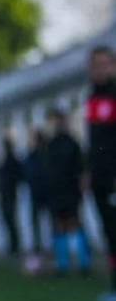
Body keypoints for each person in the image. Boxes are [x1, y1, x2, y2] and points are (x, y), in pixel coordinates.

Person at [86, 45, 116, 301]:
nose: (100, 69)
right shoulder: (92, 98)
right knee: (109, 232)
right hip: (100, 179)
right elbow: (94, 142)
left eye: (105, 64)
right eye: (96, 65)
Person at [45, 109, 90, 276]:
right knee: (61, 226)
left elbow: (81, 169)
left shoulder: (72, 143)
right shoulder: (52, 145)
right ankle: (63, 264)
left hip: (70, 191)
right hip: (58, 192)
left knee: (75, 224)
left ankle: (84, 262)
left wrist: (81, 187)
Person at [23, 128, 50, 260]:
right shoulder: (33, 156)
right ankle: (39, 246)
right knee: (38, 222)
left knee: (46, 222)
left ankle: (43, 246)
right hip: (38, 194)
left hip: (43, 193)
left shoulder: (43, 156)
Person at [0, 137, 23, 257]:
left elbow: (17, 177)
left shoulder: (12, 161)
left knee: (11, 220)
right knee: (8, 220)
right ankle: (13, 245)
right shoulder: (6, 160)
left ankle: (15, 245)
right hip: (5, 194)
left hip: (10, 195)